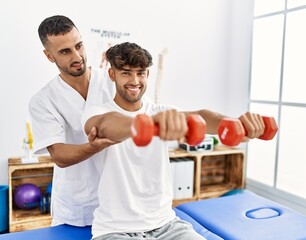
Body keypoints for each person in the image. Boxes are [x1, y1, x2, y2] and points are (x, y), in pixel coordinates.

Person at [82, 42, 266, 239]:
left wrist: (236, 124)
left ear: (147, 75)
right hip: (115, 230)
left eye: (141, 73)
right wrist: (149, 124)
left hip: (167, 225)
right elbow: (107, 125)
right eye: (126, 73)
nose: (135, 80)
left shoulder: (161, 112)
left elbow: (203, 116)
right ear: (112, 74)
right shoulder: (98, 111)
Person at [28, 15, 116, 227]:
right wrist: (95, 146)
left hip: (118, 201)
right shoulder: (43, 100)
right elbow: (59, 155)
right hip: (77, 208)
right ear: (49, 56)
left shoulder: (113, 80)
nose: (77, 56)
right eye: (65, 51)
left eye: (79, 46)